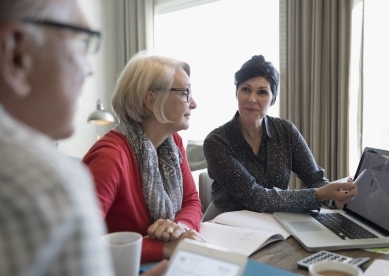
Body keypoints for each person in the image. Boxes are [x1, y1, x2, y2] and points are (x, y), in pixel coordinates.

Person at [0, 0, 166, 275]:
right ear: (16, 53)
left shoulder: (173, 146)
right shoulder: (46, 184)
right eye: (79, 41)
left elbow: (192, 203)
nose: (90, 68)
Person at [82, 51, 204, 263]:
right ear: (151, 100)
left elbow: (191, 201)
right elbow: (81, 244)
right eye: (185, 93)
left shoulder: (172, 142)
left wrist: (179, 229)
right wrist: (162, 248)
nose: (193, 103)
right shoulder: (110, 157)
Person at [203, 55, 357, 213]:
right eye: (245, 89)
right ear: (237, 93)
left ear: (273, 100)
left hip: (277, 220)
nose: (251, 99)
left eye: (262, 92)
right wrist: (319, 194)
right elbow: (255, 197)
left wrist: (336, 199)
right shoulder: (216, 141)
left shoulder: (286, 131)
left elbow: (314, 178)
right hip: (228, 222)